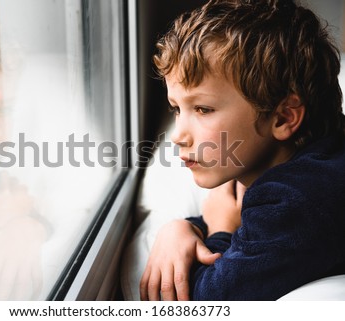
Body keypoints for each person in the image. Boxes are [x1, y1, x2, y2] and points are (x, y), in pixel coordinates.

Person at [140, 0, 345, 300]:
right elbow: (256, 237)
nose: (179, 136)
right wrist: (184, 228)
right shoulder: (310, 166)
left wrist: (219, 230)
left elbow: (214, 301)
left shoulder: (296, 199)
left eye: (203, 109)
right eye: (176, 109)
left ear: (284, 117)